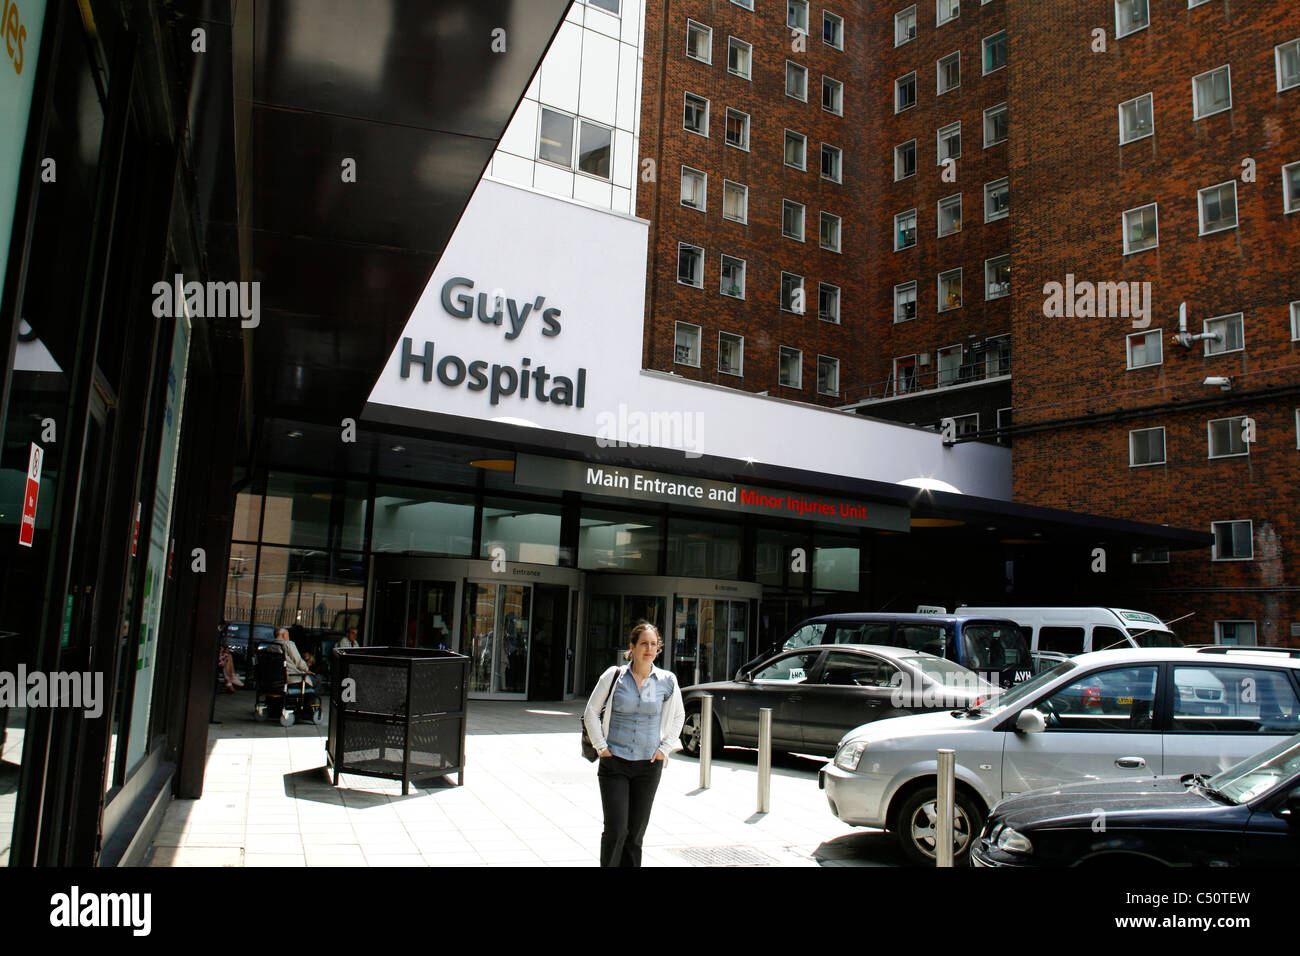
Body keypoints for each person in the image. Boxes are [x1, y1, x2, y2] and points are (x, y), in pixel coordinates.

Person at [582, 622, 684, 867]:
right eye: (643, 644)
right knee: (616, 831)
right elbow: (590, 713)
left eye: (653, 644)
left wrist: (664, 749)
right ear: (632, 648)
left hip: (647, 767)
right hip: (614, 763)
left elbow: (678, 716)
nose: (649, 649)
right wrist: (601, 748)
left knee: (635, 836)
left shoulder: (666, 680)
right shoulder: (614, 676)